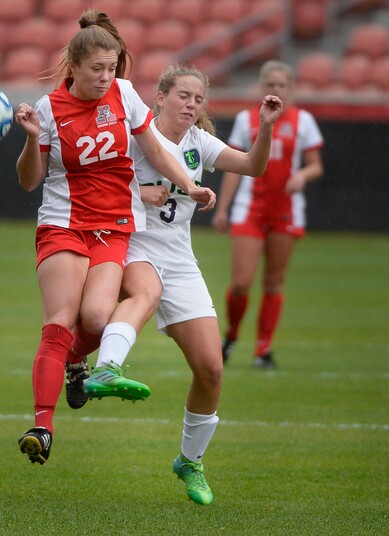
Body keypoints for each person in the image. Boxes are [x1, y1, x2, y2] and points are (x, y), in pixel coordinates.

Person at [68, 64, 283, 505]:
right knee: (147, 292)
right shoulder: (134, 133)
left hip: (181, 259)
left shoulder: (199, 143)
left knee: (211, 368)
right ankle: (107, 368)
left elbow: (251, 166)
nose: (191, 104)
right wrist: (137, 191)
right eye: (183, 95)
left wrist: (265, 128)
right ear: (160, 97)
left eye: (198, 99)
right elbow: (91, 176)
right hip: (130, 243)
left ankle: (190, 461)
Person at [13, 10, 216, 465]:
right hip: (64, 222)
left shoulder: (125, 95)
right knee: (60, 321)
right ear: (75, 67)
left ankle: (73, 364)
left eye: (112, 67)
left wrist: (189, 184)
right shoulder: (48, 109)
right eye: (97, 69)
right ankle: (42, 426)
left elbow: (156, 151)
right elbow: (30, 181)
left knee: (99, 318)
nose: (106, 77)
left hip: (114, 227)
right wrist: (30, 140)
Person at [212, 60, 324, 369]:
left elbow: (315, 164)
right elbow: (235, 165)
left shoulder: (303, 121)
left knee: (274, 281)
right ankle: (232, 335)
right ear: (261, 88)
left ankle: (263, 349)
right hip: (250, 208)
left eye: (281, 85)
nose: (275, 89)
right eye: (270, 84)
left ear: (290, 89)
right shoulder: (246, 119)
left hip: (286, 211)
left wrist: (302, 175)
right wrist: (223, 208)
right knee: (241, 283)